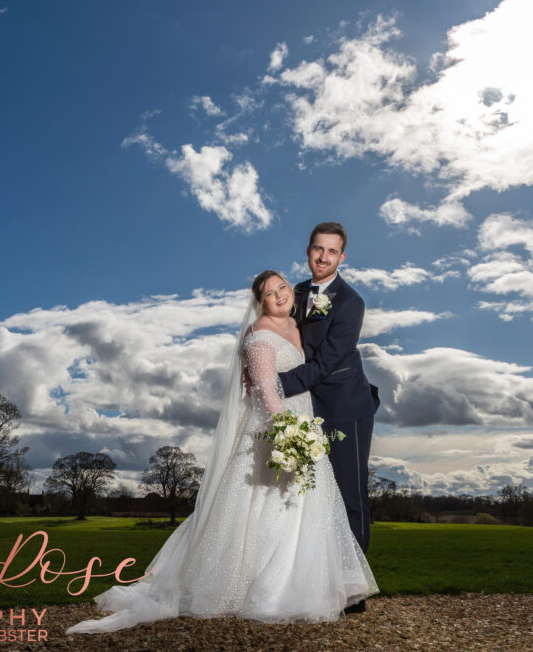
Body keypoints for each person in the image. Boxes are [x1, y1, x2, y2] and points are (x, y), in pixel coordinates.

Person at [66, 270, 377, 635]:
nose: (278, 296)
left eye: (281, 288)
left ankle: (305, 584)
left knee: (306, 508)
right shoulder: (259, 335)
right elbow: (264, 391)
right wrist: (289, 435)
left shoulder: (296, 327)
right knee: (267, 505)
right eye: (268, 293)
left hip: (304, 422)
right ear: (259, 302)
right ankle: (263, 591)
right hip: (279, 431)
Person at [278, 222, 380, 605]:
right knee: (312, 496)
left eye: (331, 252)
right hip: (305, 409)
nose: (323, 257)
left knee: (349, 496)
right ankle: (313, 581)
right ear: (308, 251)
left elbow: (325, 363)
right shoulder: (297, 292)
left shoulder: (351, 302)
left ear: (342, 257)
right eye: (317, 249)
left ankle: (353, 590)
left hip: (345, 408)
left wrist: (275, 384)